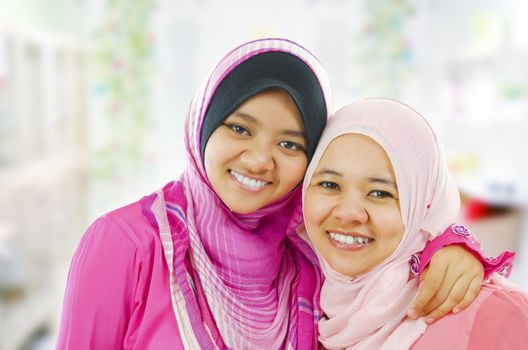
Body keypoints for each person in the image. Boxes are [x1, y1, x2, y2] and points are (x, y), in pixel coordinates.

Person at [57, 39, 488, 349]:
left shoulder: (306, 254)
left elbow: (385, 265)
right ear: (203, 125)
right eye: (240, 128)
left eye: (289, 144)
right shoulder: (126, 244)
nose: (261, 161)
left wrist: (449, 246)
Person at [302, 98, 524, 350]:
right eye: (330, 185)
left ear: (423, 205)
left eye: (380, 193)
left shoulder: (494, 314)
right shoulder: (299, 304)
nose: (349, 213)